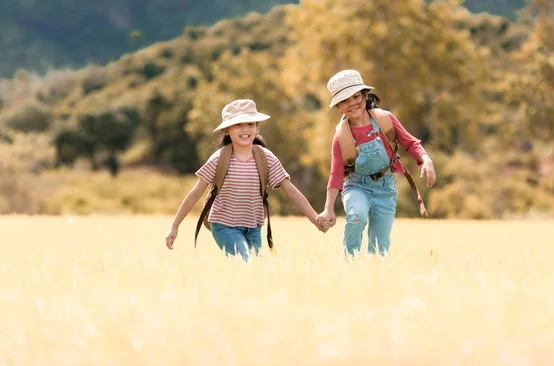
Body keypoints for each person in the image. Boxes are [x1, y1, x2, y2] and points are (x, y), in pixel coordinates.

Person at [166, 99, 327, 261]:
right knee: (245, 261)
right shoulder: (219, 159)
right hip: (224, 226)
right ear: (227, 130)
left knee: (254, 271)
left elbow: (290, 190)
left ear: (257, 128)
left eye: (250, 124)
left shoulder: (266, 157)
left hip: (254, 228)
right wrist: (174, 226)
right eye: (238, 124)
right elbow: (195, 193)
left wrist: (315, 218)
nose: (245, 129)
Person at [316, 70, 436, 258]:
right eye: (345, 100)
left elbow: (410, 143)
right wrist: (328, 208)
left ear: (365, 95)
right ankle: (349, 261)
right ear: (338, 106)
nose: (352, 103)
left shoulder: (385, 120)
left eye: (356, 96)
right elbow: (336, 174)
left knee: (381, 247)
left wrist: (426, 159)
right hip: (356, 186)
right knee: (356, 217)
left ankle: (375, 272)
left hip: (385, 188)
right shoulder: (341, 135)